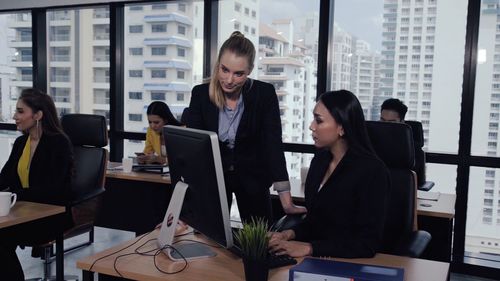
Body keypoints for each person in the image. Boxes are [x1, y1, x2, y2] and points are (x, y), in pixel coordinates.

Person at [187, 31, 306, 224]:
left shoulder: (264, 94)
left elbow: (272, 145)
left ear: (249, 70)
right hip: (213, 180)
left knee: (260, 242)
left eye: (238, 73)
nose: (229, 80)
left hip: (254, 180)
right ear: (218, 65)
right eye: (224, 70)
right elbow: (193, 148)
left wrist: (286, 201)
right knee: (210, 240)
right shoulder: (200, 95)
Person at [269, 90, 390, 258]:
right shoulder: (320, 161)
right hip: (316, 259)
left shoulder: (372, 171)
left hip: (348, 262)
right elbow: (315, 222)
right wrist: (288, 234)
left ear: (341, 127)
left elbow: (366, 244)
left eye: (319, 120)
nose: (311, 126)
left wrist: (310, 248)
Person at [0, 88, 74, 280]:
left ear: (38, 115)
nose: (15, 116)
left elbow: (53, 190)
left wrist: (19, 194)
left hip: (50, 216)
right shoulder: (21, 143)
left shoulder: (59, 143)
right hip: (23, 211)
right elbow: (5, 178)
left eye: (20, 111)